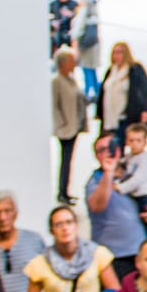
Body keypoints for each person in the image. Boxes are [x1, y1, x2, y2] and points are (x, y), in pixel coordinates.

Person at [88, 138, 147, 281]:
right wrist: (108, 173)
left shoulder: (130, 174)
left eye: (110, 147)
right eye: (101, 150)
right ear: (96, 155)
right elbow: (97, 206)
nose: (107, 153)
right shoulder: (95, 180)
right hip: (113, 255)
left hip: (139, 252)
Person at [97, 43, 147, 144]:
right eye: (114, 53)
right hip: (110, 119)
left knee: (122, 145)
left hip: (125, 117)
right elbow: (103, 93)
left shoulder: (135, 69)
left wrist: (145, 110)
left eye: (119, 52)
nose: (116, 56)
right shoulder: (111, 71)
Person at [113, 124, 147, 241]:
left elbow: (137, 179)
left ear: (145, 142)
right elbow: (123, 168)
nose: (135, 144)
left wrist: (120, 187)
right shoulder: (129, 156)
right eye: (131, 140)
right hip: (137, 196)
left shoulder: (145, 158)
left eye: (138, 140)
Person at [52, 50, 88, 205]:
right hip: (66, 130)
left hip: (74, 126)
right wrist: (62, 124)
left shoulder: (71, 80)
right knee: (65, 161)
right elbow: (54, 106)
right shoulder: (56, 82)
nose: (75, 63)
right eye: (72, 61)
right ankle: (62, 193)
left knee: (69, 160)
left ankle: (65, 191)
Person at [73, 0, 102, 101]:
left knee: (87, 71)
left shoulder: (83, 11)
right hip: (94, 45)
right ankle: (96, 91)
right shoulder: (94, 10)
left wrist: (75, 43)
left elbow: (78, 31)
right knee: (92, 71)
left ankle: (88, 93)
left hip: (86, 47)